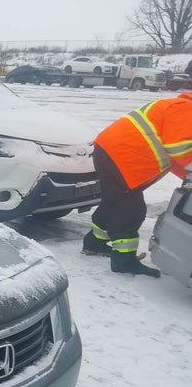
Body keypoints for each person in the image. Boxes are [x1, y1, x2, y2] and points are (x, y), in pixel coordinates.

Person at [81, 93, 192, 277]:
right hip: (123, 157)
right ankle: (124, 262)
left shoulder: (179, 106)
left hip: (114, 152)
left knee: (114, 203)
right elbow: (179, 149)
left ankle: (94, 243)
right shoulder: (186, 109)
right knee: (130, 211)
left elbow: (176, 156)